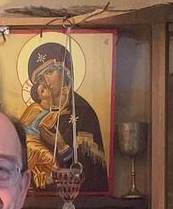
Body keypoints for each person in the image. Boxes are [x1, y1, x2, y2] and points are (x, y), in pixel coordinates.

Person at [21, 42, 109, 193]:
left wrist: (63, 147)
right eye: (40, 78)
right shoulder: (37, 112)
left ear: (65, 72)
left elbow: (93, 172)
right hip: (40, 198)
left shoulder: (83, 111)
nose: (46, 82)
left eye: (50, 72)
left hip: (80, 199)